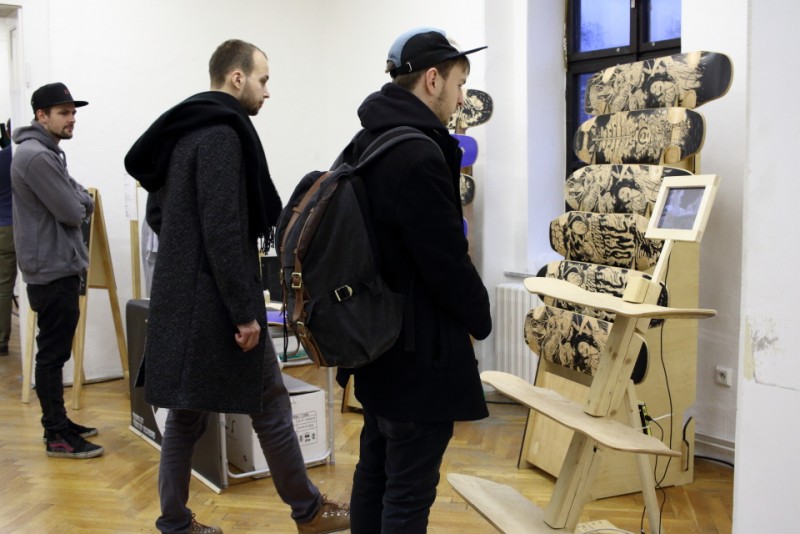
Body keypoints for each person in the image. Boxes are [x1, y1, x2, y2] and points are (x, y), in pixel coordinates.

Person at [124, 39, 349, 534]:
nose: (268, 91)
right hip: (215, 307)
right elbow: (225, 231)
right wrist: (245, 313)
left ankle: (175, 522)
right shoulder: (223, 135)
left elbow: (161, 215)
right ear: (237, 77)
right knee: (268, 402)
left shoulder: (182, 132)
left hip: (183, 298)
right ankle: (308, 511)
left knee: (187, 414)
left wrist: (189, 260)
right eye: (263, 79)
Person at [334, 28, 492, 533]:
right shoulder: (419, 154)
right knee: (407, 495)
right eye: (460, 84)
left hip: (375, 344)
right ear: (432, 79)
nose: (462, 99)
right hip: (420, 354)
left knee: (375, 475)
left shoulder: (367, 140)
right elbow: (445, 262)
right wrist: (481, 316)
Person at [10, 83, 102, 458]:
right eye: (63, 112)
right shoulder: (36, 157)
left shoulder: (48, 153)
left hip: (56, 265)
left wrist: (79, 199)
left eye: (73, 112)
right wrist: (80, 201)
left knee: (56, 352)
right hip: (51, 269)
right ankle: (56, 434)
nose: (72, 118)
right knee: (52, 355)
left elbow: (80, 197)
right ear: (41, 115)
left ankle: (60, 422)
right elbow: (74, 209)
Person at [0, 123, 15, 356]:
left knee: (3, 286)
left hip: (2, 227)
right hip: (17, 226)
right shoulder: (15, 155)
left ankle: (1, 340)